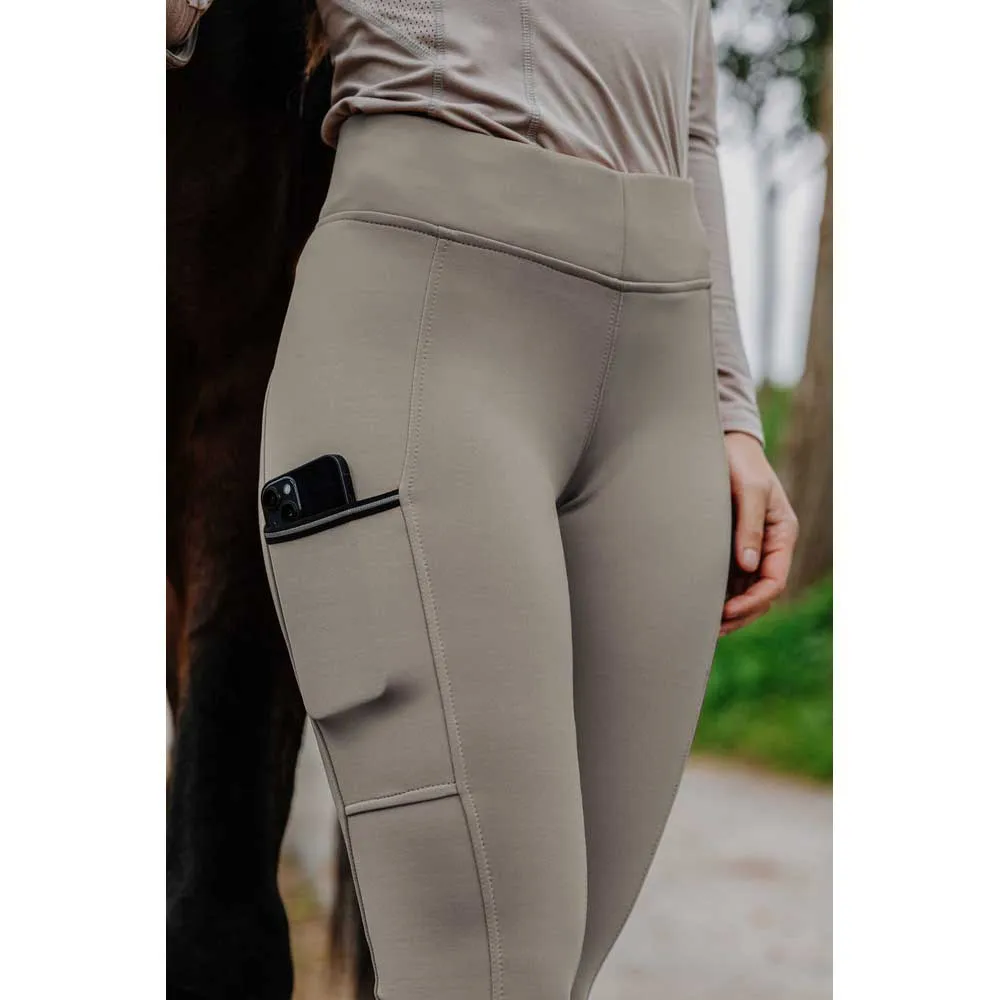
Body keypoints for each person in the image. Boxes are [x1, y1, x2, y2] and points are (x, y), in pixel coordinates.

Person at [258, 2, 799, 997]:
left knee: (557, 968)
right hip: (425, 333)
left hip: (661, 386)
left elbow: (691, 126)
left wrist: (732, 410)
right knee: (488, 970)